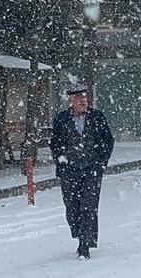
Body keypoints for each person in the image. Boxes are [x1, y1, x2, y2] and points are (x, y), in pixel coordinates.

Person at [49, 84, 114, 260]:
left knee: (89, 205)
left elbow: (108, 140)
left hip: (91, 168)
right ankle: (79, 232)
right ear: (71, 101)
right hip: (69, 169)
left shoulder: (97, 117)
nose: (83, 102)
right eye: (79, 99)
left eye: (85, 99)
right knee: (72, 206)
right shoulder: (61, 119)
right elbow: (55, 143)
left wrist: (101, 163)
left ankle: (84, 243)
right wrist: (61, 161)